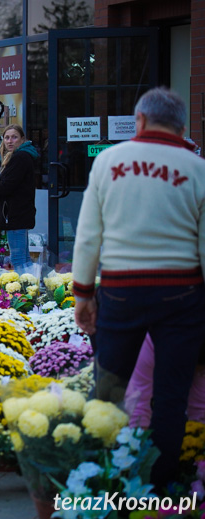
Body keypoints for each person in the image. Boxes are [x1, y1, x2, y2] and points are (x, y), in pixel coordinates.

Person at [72, 87, 205, 488]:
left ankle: (96, 477)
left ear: (140, 120)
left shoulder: (109, 161)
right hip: (182, 294)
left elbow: (88, 236)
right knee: (170, 398)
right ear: (182, 127)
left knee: (108, 388)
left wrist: (83, 294)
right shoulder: (197, 167)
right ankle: (159, 488)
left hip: (120, 290)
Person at [0, 124, 38, 273]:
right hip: (19, 213)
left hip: (16, 215)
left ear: (22, 139)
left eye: (14, 137)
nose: (10, 141)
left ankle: (22, 293)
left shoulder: (20, 157)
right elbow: (13, 188)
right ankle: (29, 289)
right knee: (23, 259)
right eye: (7, 137)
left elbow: (6, 187)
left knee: (18, 259)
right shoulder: (21, 156)